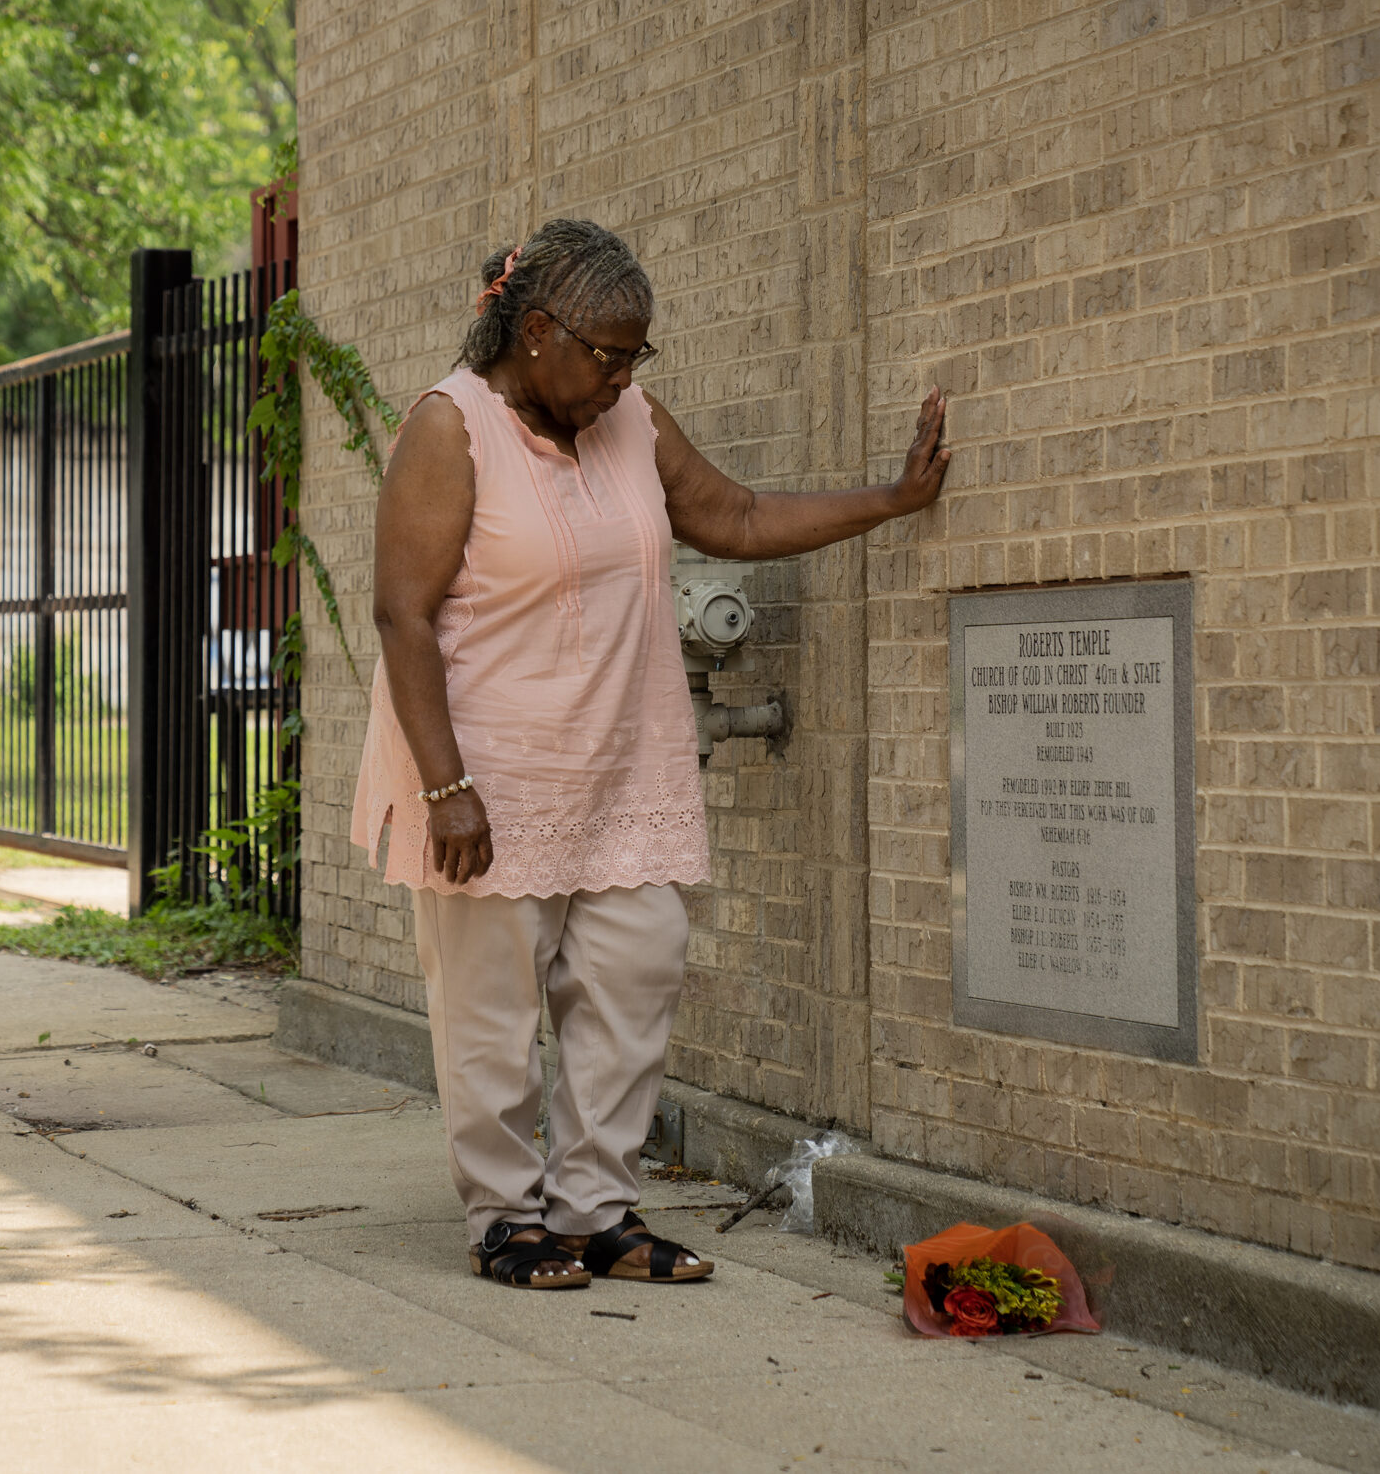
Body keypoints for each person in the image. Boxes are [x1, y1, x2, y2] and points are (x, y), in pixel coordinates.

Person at [353, 217, 952, 1289]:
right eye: (609, 352)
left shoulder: (630, 419)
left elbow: (737, 515)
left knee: (634, 979)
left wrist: (891, 499)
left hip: (622, 765)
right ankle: (507, 1217)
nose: (625, 375)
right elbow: (403, 614)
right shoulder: (451, 430)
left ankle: (595, 1210)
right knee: (490, 1017)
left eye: (638, 356)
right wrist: (446, 786)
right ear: (537, 332)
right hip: (486, 778)